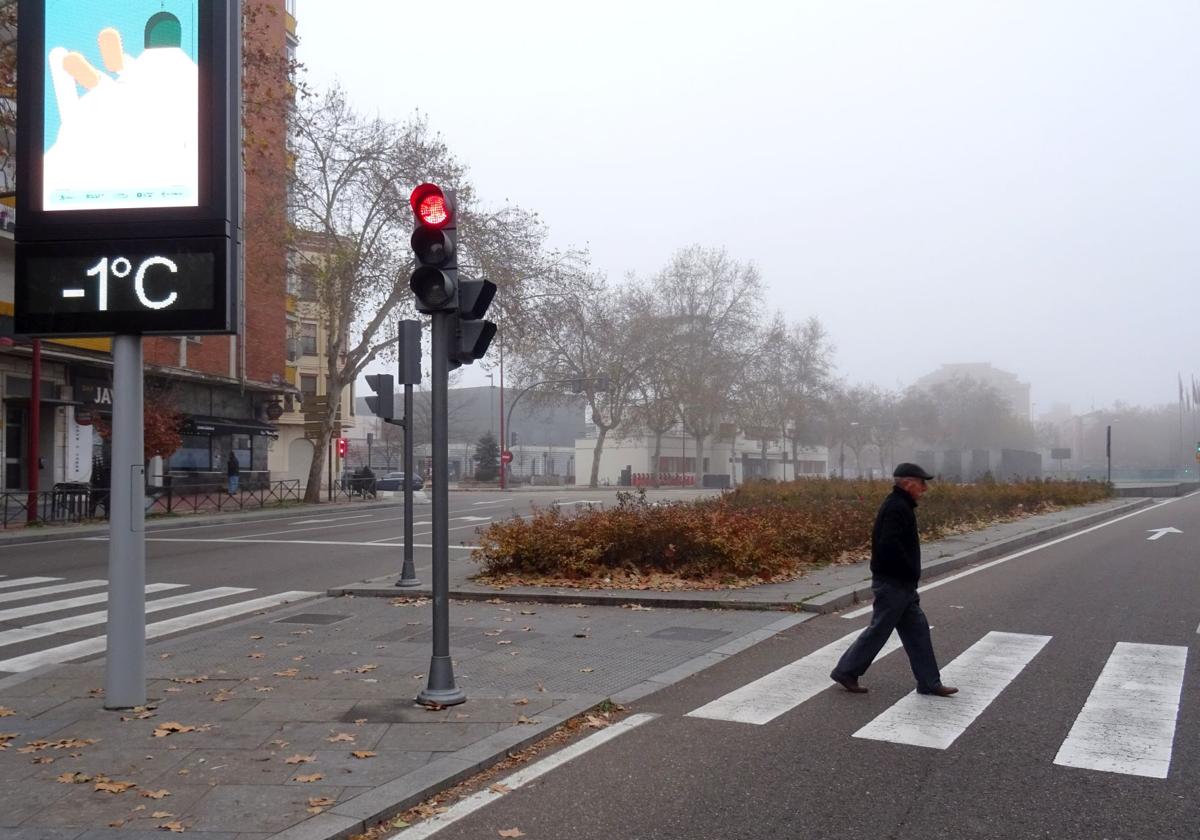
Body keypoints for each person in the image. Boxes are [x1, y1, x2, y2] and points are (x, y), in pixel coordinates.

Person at [829, 463, 958, 697]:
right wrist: (907, 570)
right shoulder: (896, 507)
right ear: (908, 483)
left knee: (917, 631)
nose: (925, 488)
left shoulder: (901, 506)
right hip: (894, 584)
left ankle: (929, 682)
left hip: (902, 584)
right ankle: (846, 670)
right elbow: (889, 545)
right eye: (921, 483)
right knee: (879, 630)